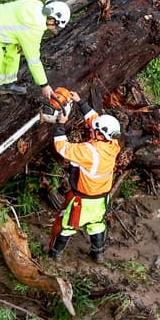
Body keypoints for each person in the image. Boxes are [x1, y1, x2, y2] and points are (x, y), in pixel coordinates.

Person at [0, 0, 71, 123]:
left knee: (14, 51)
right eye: (55, 25)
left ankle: (6, 83)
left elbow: (17, 25)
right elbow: (34, 61)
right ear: (51, 19)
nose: (53, 28)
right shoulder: (34, 28)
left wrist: (20, 39)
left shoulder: (35, 6)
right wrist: (44, 85)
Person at [46, 107, 122, 262]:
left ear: (100, 135)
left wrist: (60, 125)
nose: (90, 130)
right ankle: (98, 253)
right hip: (101, 199)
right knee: (96, 224)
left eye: (94, 130)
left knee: (66, 225)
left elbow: (62, 147)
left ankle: (54, 253)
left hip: (82, 200)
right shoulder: (113, 145)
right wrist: (81, 103)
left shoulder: (89, 152)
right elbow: (95, 121)